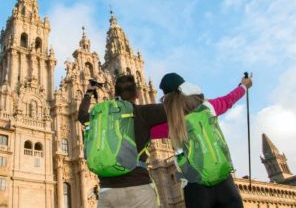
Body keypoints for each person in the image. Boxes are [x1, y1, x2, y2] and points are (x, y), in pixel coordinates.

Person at [157, 72, 252, 208]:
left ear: (166, 97)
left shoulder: (169, 122)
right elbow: (229, 99)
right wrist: (244, 85)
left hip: (195, 188)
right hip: (224, 182)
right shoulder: (209, 107)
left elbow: (141, 130)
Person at [78, 74, 167, 208]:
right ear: (137, 94)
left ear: (115, 94)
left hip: (107, 192)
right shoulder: (143, 112)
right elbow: (174, 108)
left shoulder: (102, 116)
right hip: (138, 188)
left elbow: (82, 116)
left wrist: (89, 92)